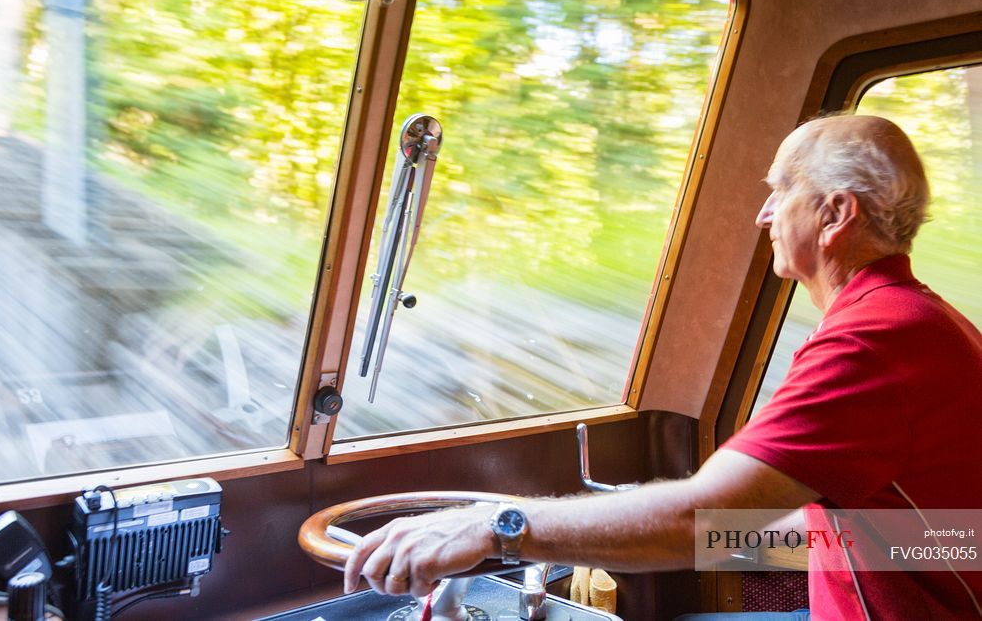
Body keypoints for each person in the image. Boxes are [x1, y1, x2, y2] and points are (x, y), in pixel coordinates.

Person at [343, 115, 982, 619]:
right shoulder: (919, 320)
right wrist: (624, 533)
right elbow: (911, 534)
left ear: (836, 213)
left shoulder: (873, 341)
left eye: (781, 189)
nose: (764, 213)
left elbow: (697, 517)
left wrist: (498, 529)